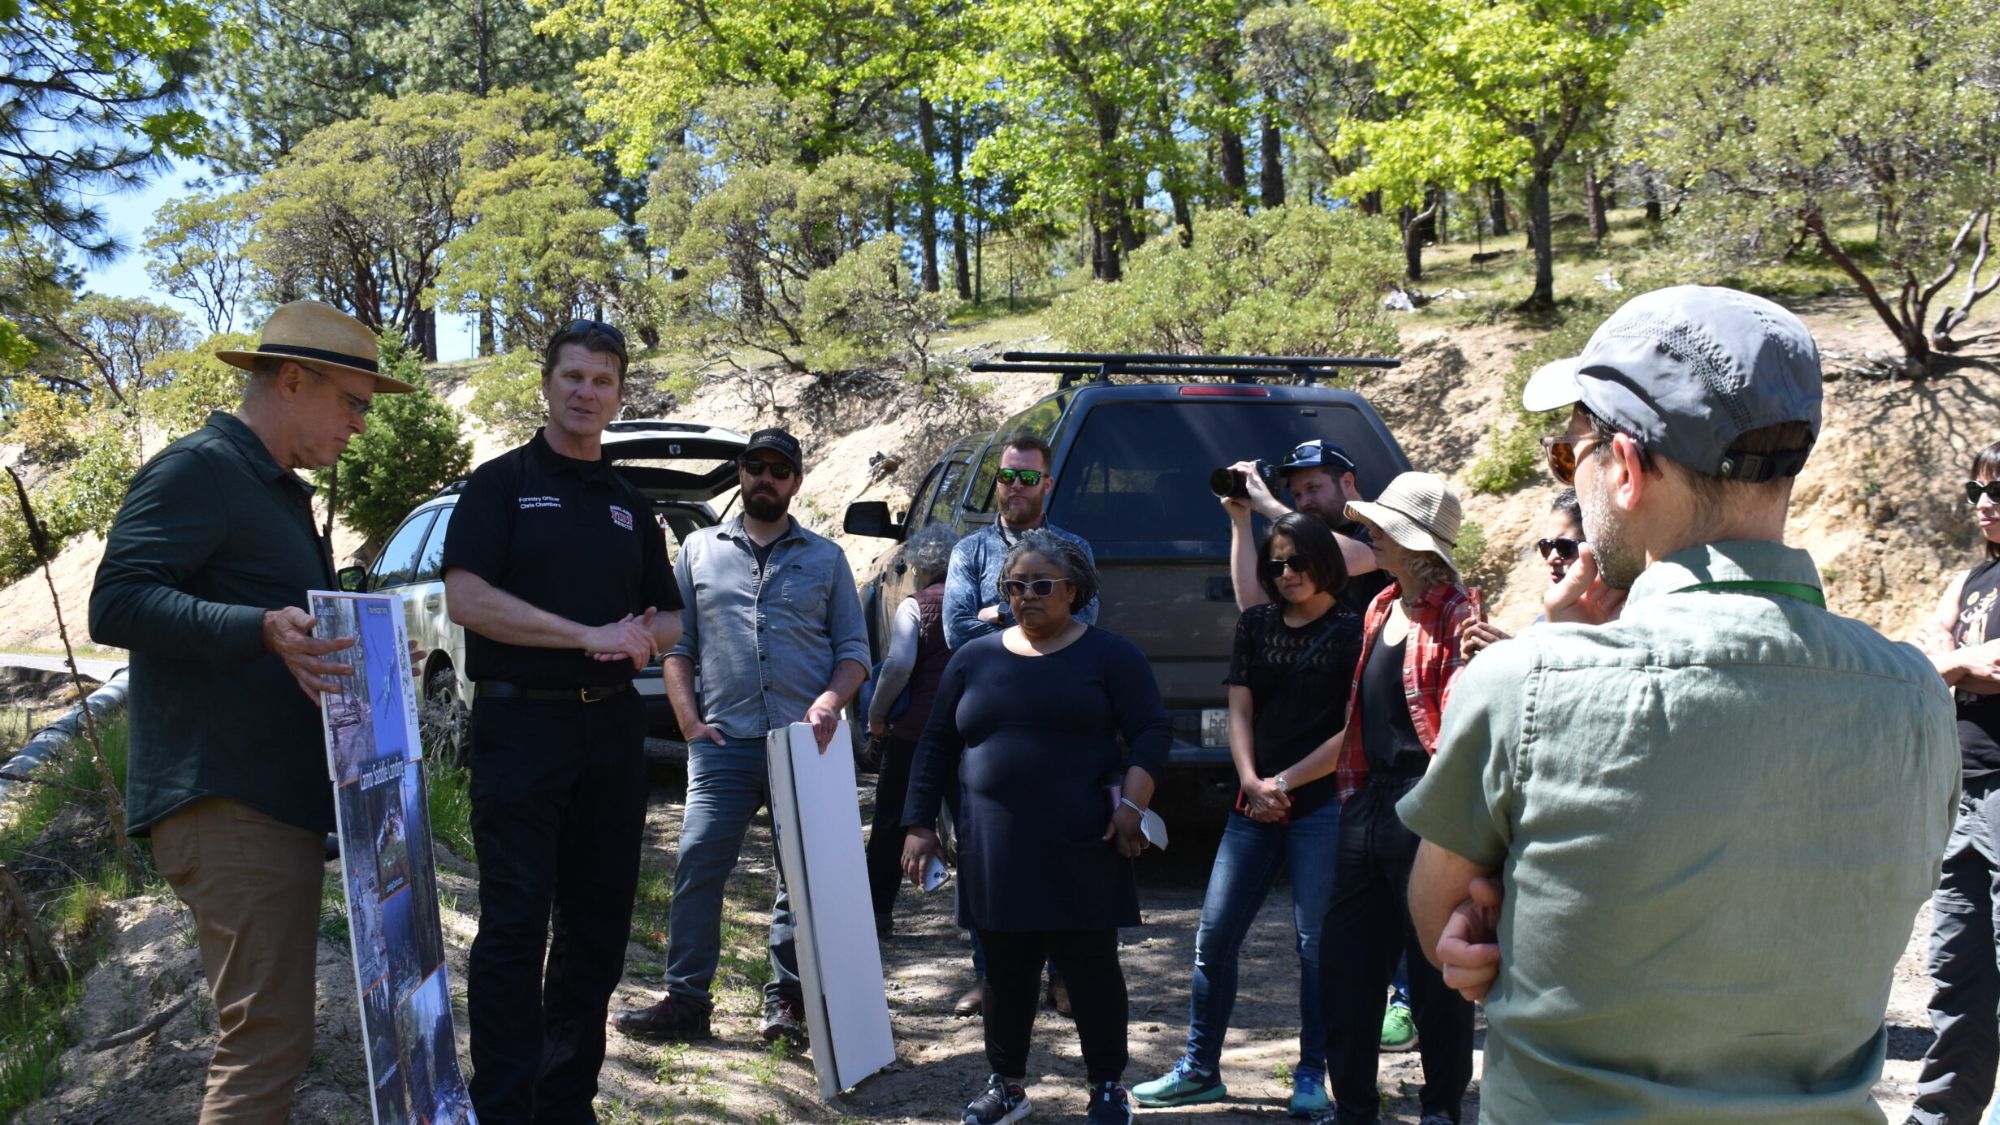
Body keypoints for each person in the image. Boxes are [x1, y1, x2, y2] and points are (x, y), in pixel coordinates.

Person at [1402, 285, 1960, 1123]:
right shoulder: (1916, 695)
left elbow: (1438, 912)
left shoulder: (1527, 683)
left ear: (1626, 467)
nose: (1572, 470)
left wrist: (1490, 930)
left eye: (1571, 451)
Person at [89, 299, 417, 1124]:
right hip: (226, 797)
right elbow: (117, 600)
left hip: (270, 800)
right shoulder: (198, 468)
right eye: (354, 403)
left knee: (271, 1033)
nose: (360, 426)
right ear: (294, 380)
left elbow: (290, 632)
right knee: (265, 1035)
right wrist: (259, 629)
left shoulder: (275, 492)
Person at [440, 319, 682, 1125]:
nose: (586, 392)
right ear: (546, 384)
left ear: (619, 395)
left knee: (599, 924)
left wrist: (645, 635)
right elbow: (467, 599)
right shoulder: (500, 485)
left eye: (602, 380)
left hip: (611, 736)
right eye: (573, 376)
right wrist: (588, 635)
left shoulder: (626, 502)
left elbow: (672, 619)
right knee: (514, 925)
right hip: (522, 732)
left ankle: (565, 1100)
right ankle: (504, 1107)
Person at [902, 528, 1170, 1125]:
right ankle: (1008, 1087)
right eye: (1015, 586)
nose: (1026, 595)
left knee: (1091, 969)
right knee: (1006, 971)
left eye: (1040, 584)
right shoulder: (974, 658)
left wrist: (1132, 803)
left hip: (1085, 841)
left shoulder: (1111, 656)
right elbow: (937, 744)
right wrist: (918, 824)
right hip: (994, 845)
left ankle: (1107, 1089)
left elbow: (1152, 730)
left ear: (1073, 591)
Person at [613, 427, 871, 1045]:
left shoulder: (826, 557)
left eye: (779, 469)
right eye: (755, 466)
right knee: (699, 863)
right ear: (740, 473)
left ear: (796, 482)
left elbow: (855, 651)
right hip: (722, 744)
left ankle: (786, 1003)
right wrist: (687, 721)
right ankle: (686, 1000)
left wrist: (831, 702)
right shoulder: (698, 550)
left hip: (801, 747)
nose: (766, 478)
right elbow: (678, 644)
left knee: (797, 879)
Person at [1245, 471, 1475, 1125]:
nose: (1367, 532)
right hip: (1365, 803)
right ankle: (1354, 1107)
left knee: (1435, 974)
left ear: (1412, 539)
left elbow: (1461, 721)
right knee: (1345, 966)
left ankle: (1440, 1108)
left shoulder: (1458, 611)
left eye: (1379, 526)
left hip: (1425, 807)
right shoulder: (1380, 606)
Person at [1132, 513, 1360, 1117]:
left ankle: (1312, 1077)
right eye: (1277, 564)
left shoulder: (1352, 631)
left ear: (1325, 562)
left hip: (1319, 807)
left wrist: (1283, 782)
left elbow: (1351, 730)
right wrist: (1252, 780)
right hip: (1251, 805)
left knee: (1314, 947)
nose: (1287, 574)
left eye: (1298, 561)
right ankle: (1199, 1069)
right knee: (1213, 939)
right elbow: (1238, 710)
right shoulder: (1256, 623)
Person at [941, 431, 1094, 1016]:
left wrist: (998, 612)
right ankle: (991, 975)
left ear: (1047, 483)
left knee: (1059, 851)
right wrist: (1037, 616)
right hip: (988, 727)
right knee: (985, 853)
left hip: (1060, 726)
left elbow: (1089, 617)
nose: (1014, 487)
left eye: (1027, 477)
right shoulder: (970, 552)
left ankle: (1062, 976)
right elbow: (956, 629)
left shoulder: (1074, 547)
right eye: (1006, 476)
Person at [1909, 442, 2000, 1125]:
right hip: (1963, 797)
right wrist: (1960, 660)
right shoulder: (1971, 579)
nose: (1986, 504)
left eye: (1998, 489)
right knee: (1955, 973)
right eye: (1976, 492)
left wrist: (1952, 661)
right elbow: (1926, 650)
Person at [864, 522, 960, 939]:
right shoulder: (972, 605)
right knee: (971, 824)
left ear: (919, 566)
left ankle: (877, 911)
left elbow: (899, 666)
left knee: (890, 820)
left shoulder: (915, 605)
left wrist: (876, 715)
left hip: (913, 732)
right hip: (964, 730)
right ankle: (977, 915)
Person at [1224, 438, 1384, 617]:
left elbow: (1350, 560)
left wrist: (1269, 505)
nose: (1305, 502)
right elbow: (1254, 605)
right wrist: (1240, 520)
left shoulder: (1379, 525)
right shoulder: (1300, 541)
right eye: (1297, 495)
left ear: (1347, 482)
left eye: (1313, 488)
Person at [1458, 487, 1590, 659]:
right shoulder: (1540, 626)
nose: (1551, 558)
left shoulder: (1625, 616)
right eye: (1547, 547)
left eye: (1564, 547)